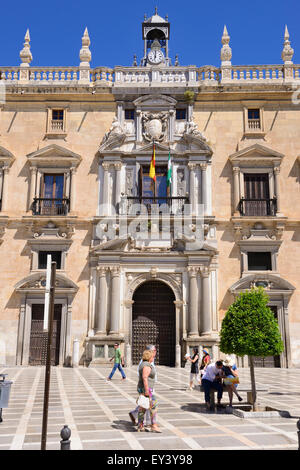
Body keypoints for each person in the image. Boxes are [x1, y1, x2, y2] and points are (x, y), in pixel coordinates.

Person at [129, 344, 157, 426]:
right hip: (146, 387)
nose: (155, 352)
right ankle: (151, 423)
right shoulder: (145, 362)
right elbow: (144, 376)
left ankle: (138, 419)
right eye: (154, 350)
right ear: (150, 351)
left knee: (144, 405)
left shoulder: (150, 360)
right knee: (150, 405)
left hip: (149, 386)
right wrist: (146, 389)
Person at [136, 349, 161, 433]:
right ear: (149, 357)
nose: (153, 357)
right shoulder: (146, 365)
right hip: (147, 389)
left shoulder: (143, 364)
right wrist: (147, 390)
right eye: (152, 356)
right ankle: (153, 425)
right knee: (153, 406)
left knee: (143, 407)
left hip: (143, 388)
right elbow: (145, 377)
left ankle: (140, 425)